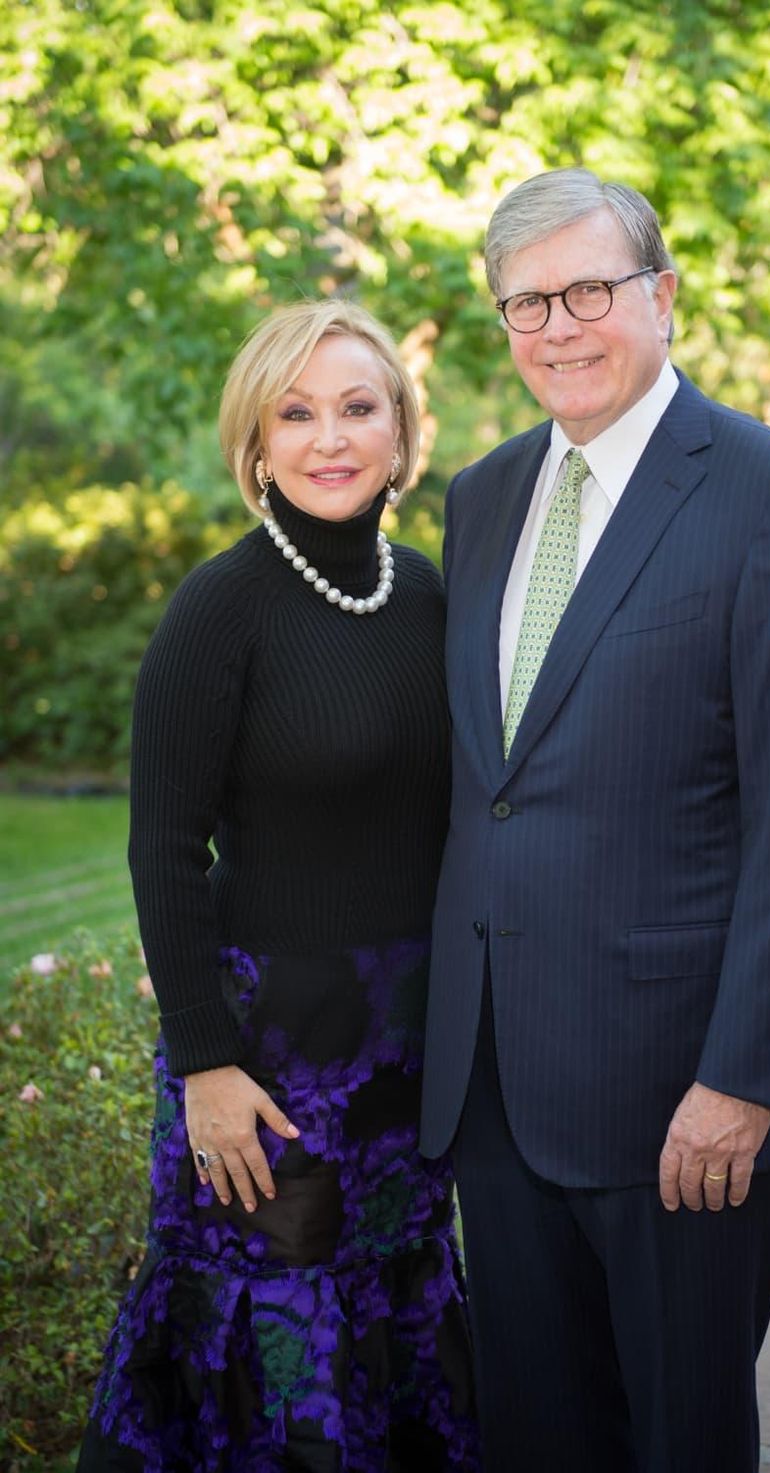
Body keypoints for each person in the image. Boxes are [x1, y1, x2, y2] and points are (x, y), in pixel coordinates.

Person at [420, 168, 770, 1473]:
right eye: (524, 304)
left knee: (678, 1437)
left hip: (681, 1098)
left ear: (663, 296)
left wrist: (741, 1076)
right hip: (497, 1083)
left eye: (587, 290)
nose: (557, 327)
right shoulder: (485, 495)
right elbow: (495, 782)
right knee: (536, 1435)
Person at [77, 299, 480, 1471]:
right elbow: (163, 850)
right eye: (293, 413)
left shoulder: (435, 600)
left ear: (403, 434)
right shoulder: (219, 609)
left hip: (409, 1049)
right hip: (269, 1063)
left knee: (397, 1315)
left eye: (359, 407)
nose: (330, 437)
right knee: (277, 1338)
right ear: (254, 446)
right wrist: (205, 1063)